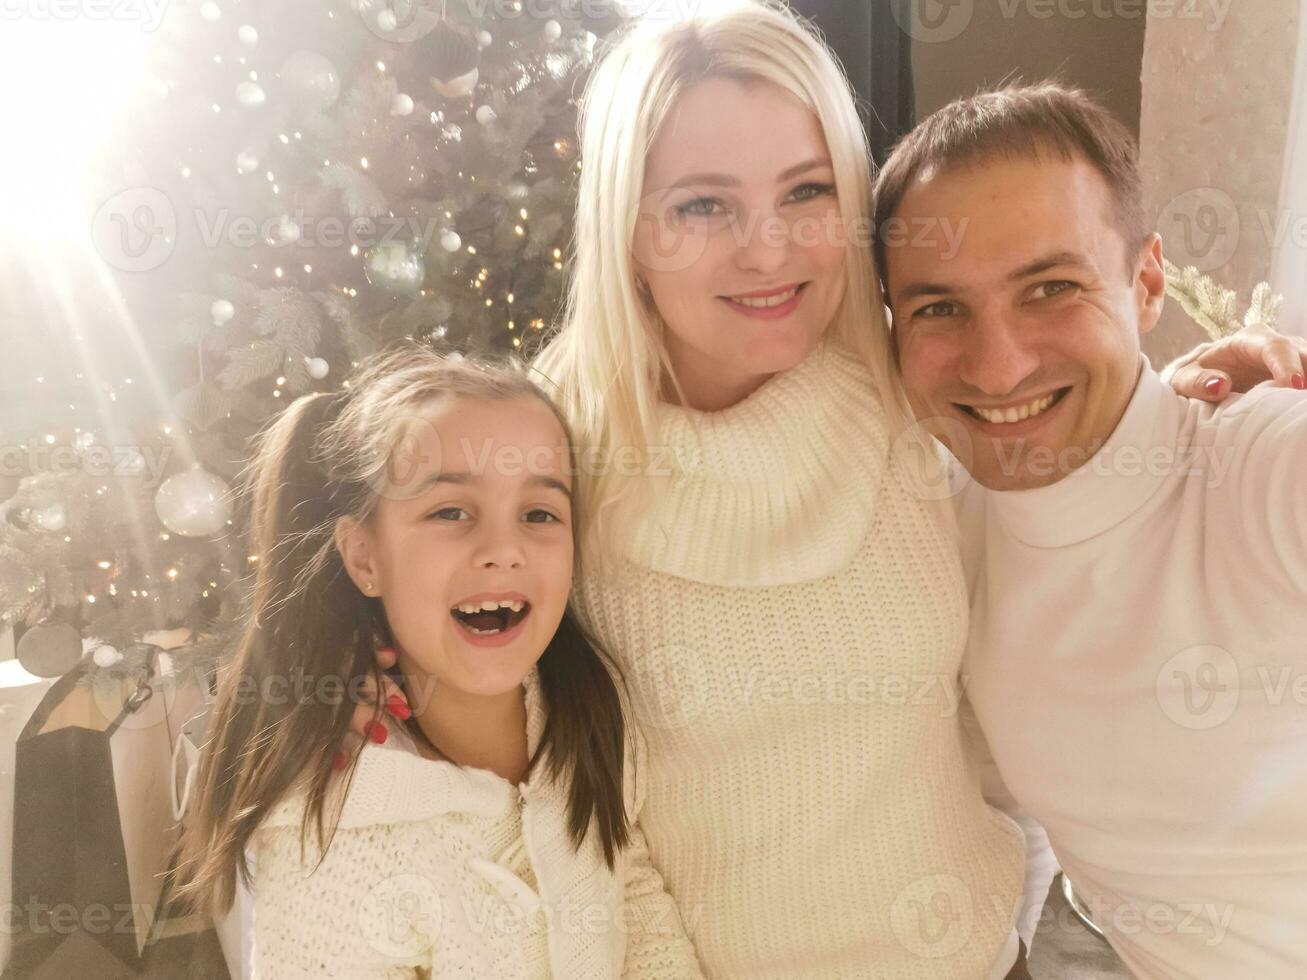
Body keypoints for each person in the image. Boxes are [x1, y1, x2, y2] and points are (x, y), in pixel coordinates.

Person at [356, 4, 1300, 977]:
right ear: (624, 227)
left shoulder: (909, 386)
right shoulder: (545, 463)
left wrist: (1177, 404)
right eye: (701, 205)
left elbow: (1059, 431)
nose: (766, 249)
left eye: (804, 191)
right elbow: (539, 802)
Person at [877, 82, 1307, 977]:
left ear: (1145, 283)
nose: (998, 367)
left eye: (1050, 288)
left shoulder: (1267, 465)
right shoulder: (934, 525)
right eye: (938, 308)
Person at [173, 343, 704, 978]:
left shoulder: (588, 712)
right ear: (365, 557)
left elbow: (631, 891)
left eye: (539, 513)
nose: (504, 549)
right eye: (450, 511)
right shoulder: (335, 836)